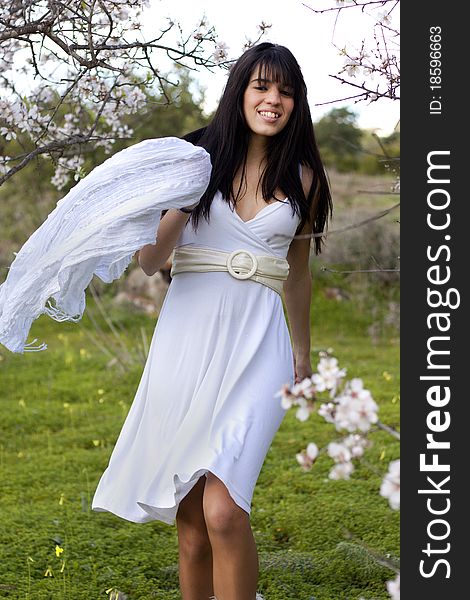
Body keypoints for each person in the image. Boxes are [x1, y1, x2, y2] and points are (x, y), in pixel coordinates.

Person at [92, 42, 332, 600]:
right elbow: (150, 261)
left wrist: (302, 353)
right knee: (192, 525)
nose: (274, 100)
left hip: (261, 346)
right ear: (240, 91)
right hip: (189, 339)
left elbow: (297, 274)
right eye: (262, 87)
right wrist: (182, 200)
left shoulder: (304, 177)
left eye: (287, 92)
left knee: (224, 510)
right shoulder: (194, 158)